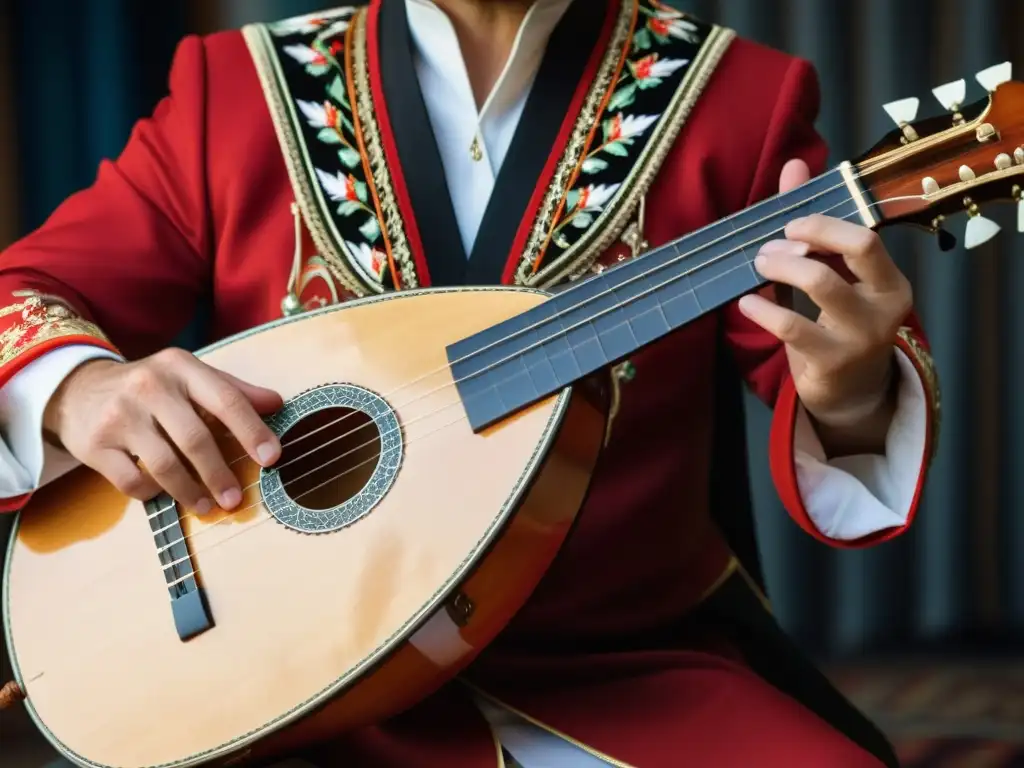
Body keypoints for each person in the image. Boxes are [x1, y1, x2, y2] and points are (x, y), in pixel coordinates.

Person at [0, 0, 939, 766]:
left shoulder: (737, 98)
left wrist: (852, 383)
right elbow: (26, 292)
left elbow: (823, 373)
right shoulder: (241, 90)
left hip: (617, 671)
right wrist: (80, 391)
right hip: (277, 681)